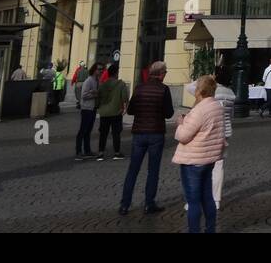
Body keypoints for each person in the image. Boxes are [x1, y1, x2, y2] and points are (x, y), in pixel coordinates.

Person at [119, 60, 174, 216]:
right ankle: (149, 204)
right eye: (165, 72)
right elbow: (169, 113)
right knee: (153, 170)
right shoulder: (164, 90)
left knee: (133, 170)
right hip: (156, 133)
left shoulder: (139, 88)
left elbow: (130, 110)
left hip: (139, 133)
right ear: (161, 74)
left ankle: (125, 204)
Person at [173, 74, 226, 233]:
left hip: (193, 160)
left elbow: (183, 136)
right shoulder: (217, 106)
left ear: (199, 90)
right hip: (209, 158)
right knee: (207, 198)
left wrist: (181, 124)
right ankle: (210, 229)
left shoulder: (200, 109)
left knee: (194, 201)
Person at [184, 74, 235, 210]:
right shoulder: (231, 93)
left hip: (209, 131)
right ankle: (216, 199)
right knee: (219, 166)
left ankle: (194, 200)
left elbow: (190, 88)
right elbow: (231, 116)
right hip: (225, 131)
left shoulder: (211, 92)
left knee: (200, 165)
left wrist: (205, 77)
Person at [96, 62, 130, 160]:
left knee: (103, 133)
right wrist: (125, 108)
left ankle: (100, 153)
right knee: (116, 133)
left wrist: (99, 108)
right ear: (116, 73)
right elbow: (125, 98)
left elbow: (98, 98)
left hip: (104, 112)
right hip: (116, 112)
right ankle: (116, 152)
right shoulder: (121, 84)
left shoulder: (103, 85)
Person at [75, 62, 103, 159]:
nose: (100, 71)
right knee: (83, 130)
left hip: (93, 108)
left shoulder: (96, 80)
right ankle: (78, 151)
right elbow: (84, 95)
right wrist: (95, 94)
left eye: (101, 69)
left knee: (88, 130)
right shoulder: (89, 80)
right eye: (99, 69)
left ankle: (87, 150)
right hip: (87, 108)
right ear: (94, 70)